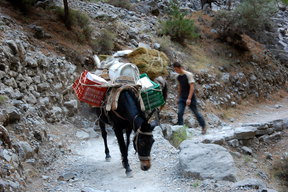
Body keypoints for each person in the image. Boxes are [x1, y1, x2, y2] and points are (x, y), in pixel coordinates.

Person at [172, 62, 207, 134]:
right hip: (182, 97)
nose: (175, 71)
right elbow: (180, 87)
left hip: (190, 97)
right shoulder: (177, 76)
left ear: (180, 68)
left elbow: (192, 87)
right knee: (179, 113)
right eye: (174, 70)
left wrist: (189, 98)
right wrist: (178, 97)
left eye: (176, 69)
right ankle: (180, 130)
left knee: (196, 113)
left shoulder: (188, 75)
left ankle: (203, 127)